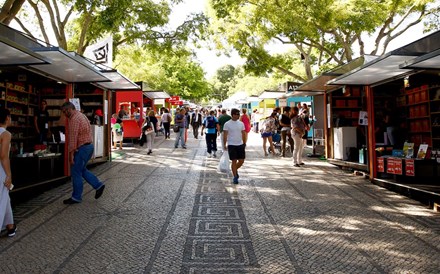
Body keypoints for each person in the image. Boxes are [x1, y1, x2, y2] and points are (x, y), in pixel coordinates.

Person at [60, 102, 105, 204]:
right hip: (89, 147)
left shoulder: (74, 119)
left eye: (64, 112)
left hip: (82, 148)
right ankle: (98, 185)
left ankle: (76, 197)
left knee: (76, 172)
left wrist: (71, 156)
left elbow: (73, 138)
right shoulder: (81, 115)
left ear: (69, 109)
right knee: (81, 170)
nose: (64, 114)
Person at [0, 109, 16, 237]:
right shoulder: (5, 134)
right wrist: (9, 175)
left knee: (5, 196)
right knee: (2, 195)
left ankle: (10, 226)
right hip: (1, 169)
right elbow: (3, 156)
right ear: (7, 118)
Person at [223, 108, 246, 184]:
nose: (238, 116)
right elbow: (225, 135)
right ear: (232, 115)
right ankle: (235, 176)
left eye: (238, 114)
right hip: (231, 144)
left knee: (241, 161)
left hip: (240, 144)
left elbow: (243, 133)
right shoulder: (227, 124)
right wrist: (224, 144)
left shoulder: (241, 123)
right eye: (236, 114)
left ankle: (234, 170)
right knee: (234, 160)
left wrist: (244, 142)